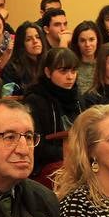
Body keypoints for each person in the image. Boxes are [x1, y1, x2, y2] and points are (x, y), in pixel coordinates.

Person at [24, 46, 85, 175]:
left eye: (73, 71)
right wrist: (70, 152)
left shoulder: (78, 98)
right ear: (47, 72)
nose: (70, 77)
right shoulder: (35, 100)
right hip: (47, 166)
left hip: (79, 160)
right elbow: (35, 145)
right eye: (63, 71)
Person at [0, 21, 45, 93]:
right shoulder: (12, 68)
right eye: (28, 39)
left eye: (38, 37)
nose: (35, 41)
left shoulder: (49, 62)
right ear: (21, 44)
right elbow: (7, 97)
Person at [70, 20, 101, 94]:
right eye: (82, 40)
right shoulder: (72, 66)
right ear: (77, 43)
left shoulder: (104, 63)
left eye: (91, 39)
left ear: (97, 40)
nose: (87, 44)